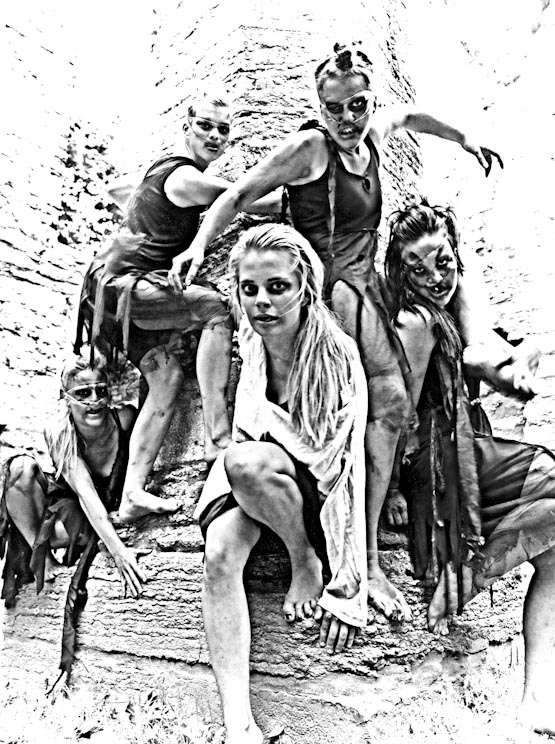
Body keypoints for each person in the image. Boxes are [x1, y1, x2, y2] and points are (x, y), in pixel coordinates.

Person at [172, 43, 508, 621]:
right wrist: (199, 245)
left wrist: (465, 139)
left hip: (366, 288)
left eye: (358, 105)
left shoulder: (372, 133)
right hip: (329, 295)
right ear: (318, 105)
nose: (347, 119)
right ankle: (359, 558)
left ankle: (381, 518)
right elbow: (239, 192)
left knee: (397, 401)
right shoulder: (310, 149)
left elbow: (412, 116)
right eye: (334, 108)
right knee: (368, 410)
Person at [195, 224, 368, 744]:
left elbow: (346, 471)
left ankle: (303, 560)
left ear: (305, 288)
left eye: (277, 287)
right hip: (264, 471)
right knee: (219, 554)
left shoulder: (335, 358)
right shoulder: (253, 337)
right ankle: (238, 730)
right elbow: (249, 432)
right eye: (249, 288)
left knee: (244, 463)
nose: (262, 301)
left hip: (315, 489)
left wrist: (348, 585)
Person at [385, 201, 554, 735]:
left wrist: (519, 363)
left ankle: (537, 699)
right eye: (417, 269)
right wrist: (390, 488)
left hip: (467, 442)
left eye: (443, 262)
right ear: (400, 273)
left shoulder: (455, 310)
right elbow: (396, 415)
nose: (434, 278)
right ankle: (466, 579)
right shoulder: (415, 321)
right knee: (550, 475)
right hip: (434, 459)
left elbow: (486, 356)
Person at [74, 92, 279, 523]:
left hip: (106, 297)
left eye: (223, 129)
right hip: (124, 290)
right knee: (216, 308)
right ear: (186, 127)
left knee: (164, 376)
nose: (214, 136)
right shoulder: (185, 178)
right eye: (205, 125)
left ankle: (132, 493)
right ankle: (217, 439)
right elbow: (249, 200)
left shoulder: (161, 171)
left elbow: (115, 189)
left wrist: (147, 214)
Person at [0, 356, 145, 674]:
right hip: (74, 504)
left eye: (100, 390)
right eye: (82, 393)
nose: (94, 400)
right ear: (66, 397)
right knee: (18, 469)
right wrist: (118, 551)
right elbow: (85, 493)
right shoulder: (59, 430)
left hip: (107, 505)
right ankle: (41, 555)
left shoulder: (124, 418)